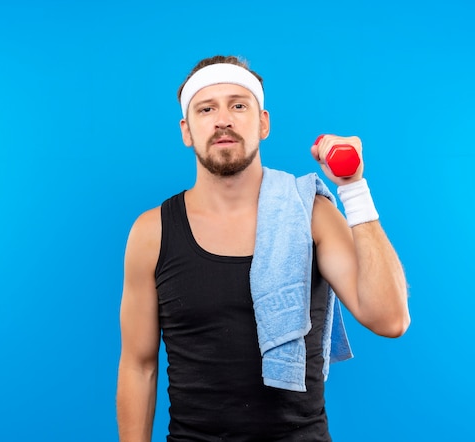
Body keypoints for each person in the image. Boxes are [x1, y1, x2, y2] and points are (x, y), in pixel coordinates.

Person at [116, 55, 410, 441]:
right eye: (207, 109)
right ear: (187, 131)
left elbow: (390, 319)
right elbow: (139, 366)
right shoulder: (151, 231)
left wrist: (353, 189)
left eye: (239, 105)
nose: (223, 119)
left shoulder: (311, 215)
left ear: (263, 123)